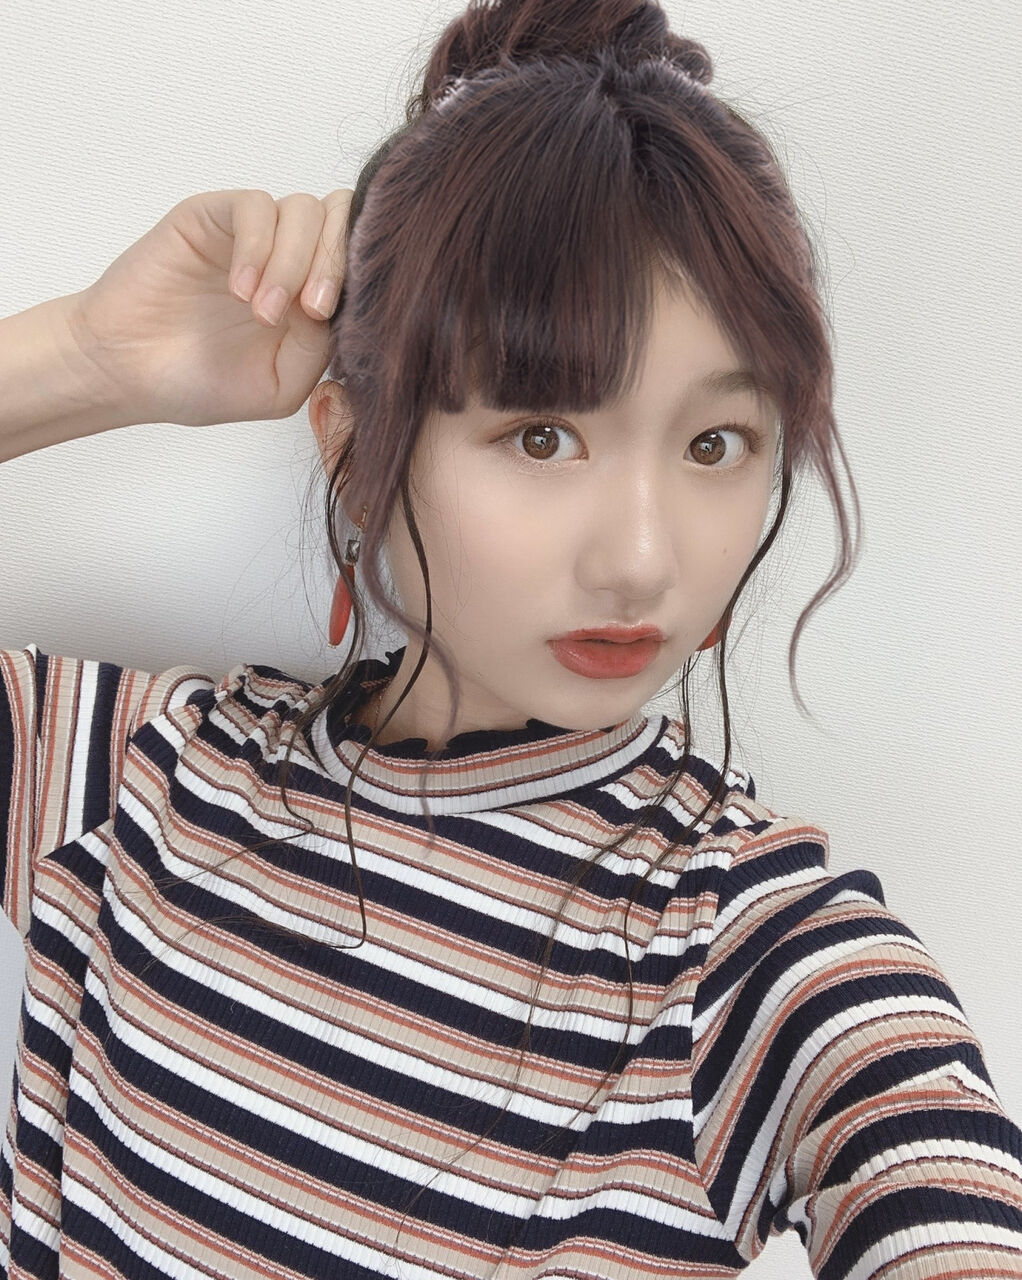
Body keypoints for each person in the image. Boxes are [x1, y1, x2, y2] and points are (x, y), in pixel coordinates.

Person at [2, 1, 1021, 1277]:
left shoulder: (754, 958)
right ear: (355, 452)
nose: (640, 555)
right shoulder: (137, 780)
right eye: (542, 434)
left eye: (714, 442)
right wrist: (85, 358)